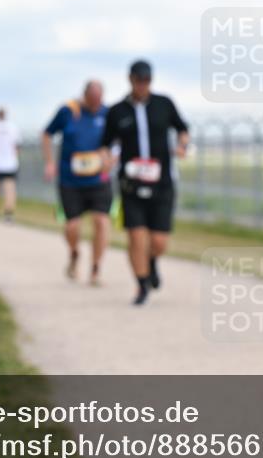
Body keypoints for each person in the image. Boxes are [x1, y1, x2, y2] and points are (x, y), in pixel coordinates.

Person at [100, 60, 189, 305]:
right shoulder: (117, 111)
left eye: (147, 80)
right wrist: (106, 159)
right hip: (131, 184)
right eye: (139, 80)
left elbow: (182, 129)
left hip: (162, 182)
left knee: (158, 241)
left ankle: (151, 262)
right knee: (136, 237)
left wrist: (182, 145)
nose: (143, 85)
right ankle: (141, 285)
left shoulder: (164, 104)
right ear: (130, 80)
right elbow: (105, 144)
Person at [42, 80, 113, 286]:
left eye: (98, 101)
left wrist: (110, 157)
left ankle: (95, 269)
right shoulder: (68, 111)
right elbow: (46, 133)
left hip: (99, 179)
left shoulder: (107, 114)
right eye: (92, 101)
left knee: (101, 221)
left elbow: (118, 142)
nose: (95, 105)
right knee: (73, 226)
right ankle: (74, 254)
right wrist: (49, 163)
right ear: (85, 96)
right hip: (70, 179)